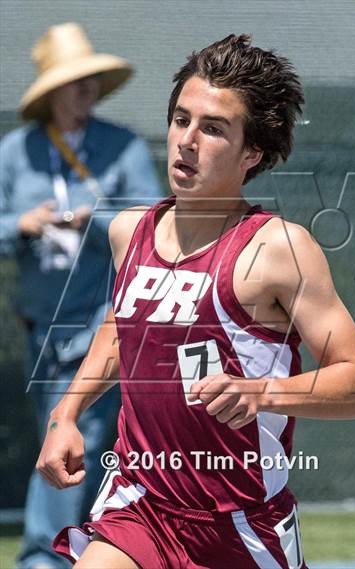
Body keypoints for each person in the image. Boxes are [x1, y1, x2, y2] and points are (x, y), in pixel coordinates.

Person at [36, 34, 355, 569]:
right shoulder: (130, 231)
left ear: (252, 153)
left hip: (239, 524)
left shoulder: (278, 249)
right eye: (180, 119)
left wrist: (263, 392)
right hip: (140, 503)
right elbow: (122, 326)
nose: (187, 140)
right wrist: (68, 410)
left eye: (213, 128)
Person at [0, 22, 161, 569]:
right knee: (78, 440)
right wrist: (20, 224)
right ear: (51, 92)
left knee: (77, 434)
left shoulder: (123, 146)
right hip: (40, 328)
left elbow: (152, 221)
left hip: (104, 321)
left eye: (91, 79)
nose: (85, 89)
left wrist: (95, 219)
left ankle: (45, 558)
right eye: (74, 81)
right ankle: (91, 548)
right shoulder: (15, 153)